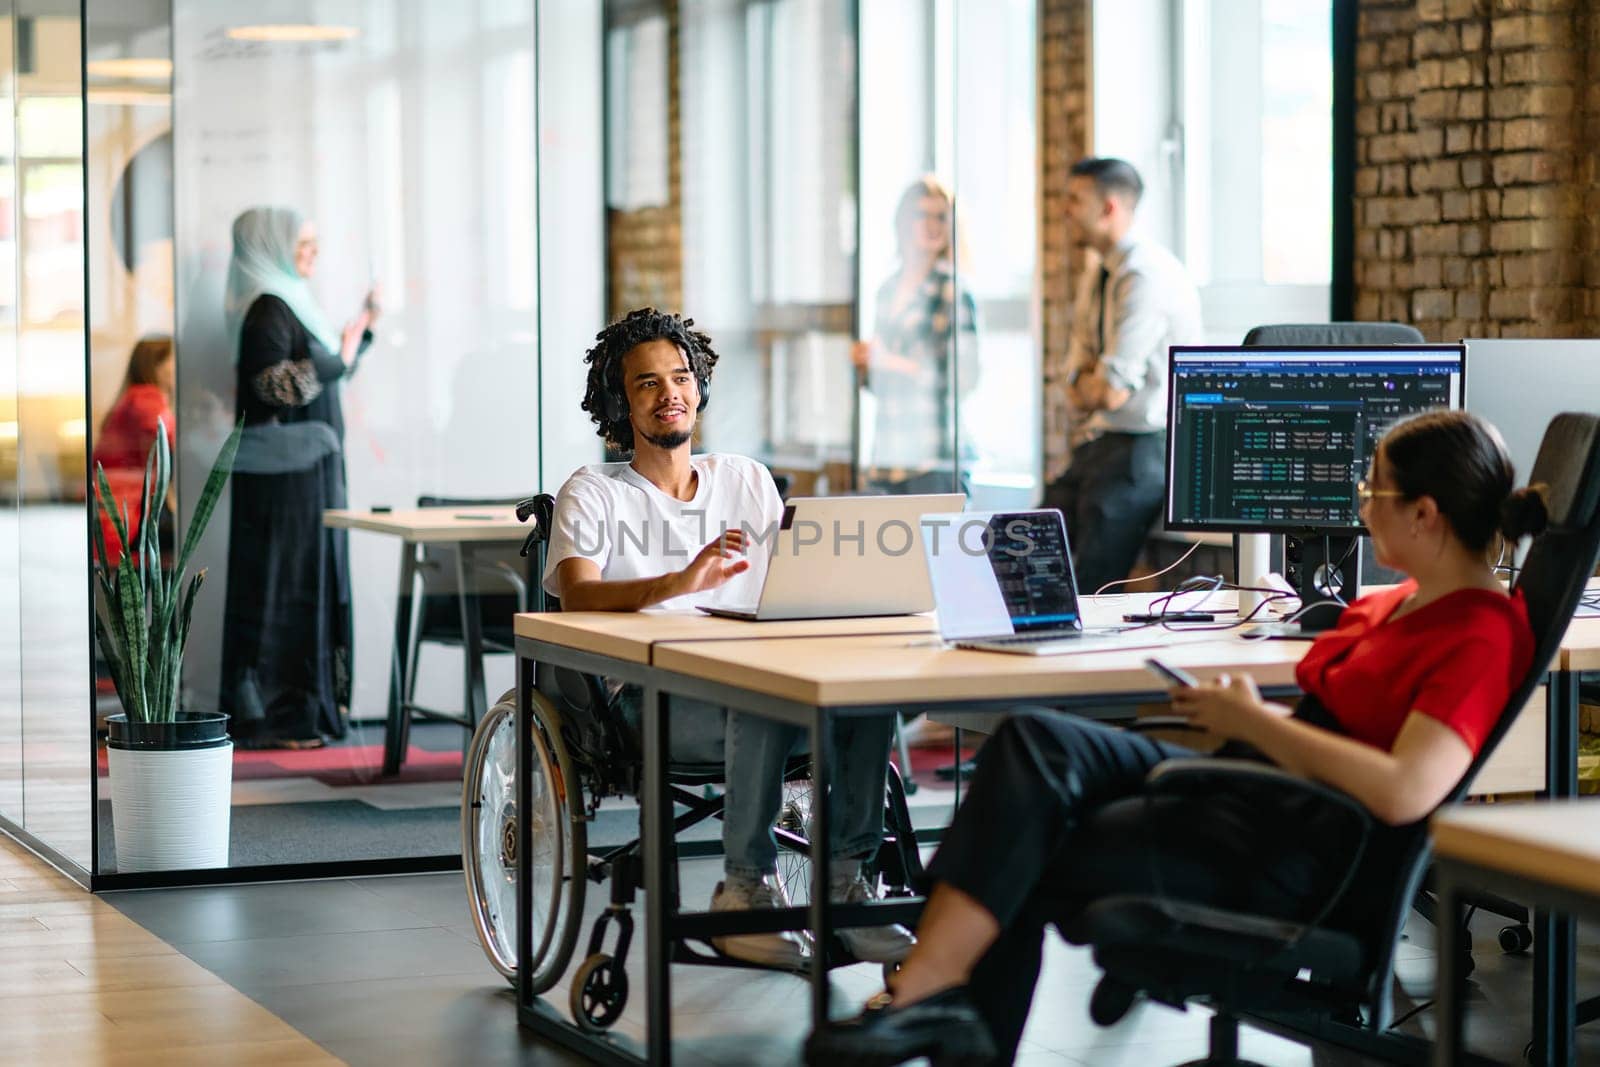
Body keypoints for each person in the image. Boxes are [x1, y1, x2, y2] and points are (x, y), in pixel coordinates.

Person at [808, 410, 1547, 1065]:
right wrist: (1246, 722)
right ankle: (939, 997)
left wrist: (1256, 723)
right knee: (1036, 742)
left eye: (1373, 491)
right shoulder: (1397, 603)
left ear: (1424, 514)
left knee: (1022, 838)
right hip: (1256, 788)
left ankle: (933, 1000)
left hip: (1292, 845)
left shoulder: (1476, 635)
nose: (1359, 504)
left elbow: (1403, 790)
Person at [545, 307, 913, 969]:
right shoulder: (594, 492)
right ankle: (743, 892)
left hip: (762, 683)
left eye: (681, 376)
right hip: (653, 702)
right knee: (760, 696)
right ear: (618, 401)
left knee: (866, 697)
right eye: (648, 383)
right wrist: (677, 582)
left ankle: (847, 886)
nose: (670, 393)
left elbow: (797, 582)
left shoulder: (743, 478)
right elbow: (575, 592)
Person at [219, 206, 378, 750]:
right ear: (272, 244)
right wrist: (341, 356)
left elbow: (321, 372)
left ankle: (309, 710)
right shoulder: (268, 309)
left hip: (304, 473)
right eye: (302, 242)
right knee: (286, 586)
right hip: (284, 483)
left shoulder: (290, 305)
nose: (312, 252)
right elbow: (274, 387)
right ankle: (282, 716)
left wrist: (359, 337)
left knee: (309, 581)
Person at [1041, 157, 1203, 595]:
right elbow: (1073, 372)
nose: (1064, 211)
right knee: (1024, 548)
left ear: (1109, 207)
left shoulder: (1144, 275)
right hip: (1102, 442)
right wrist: (1083, 383)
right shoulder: (1101, 270)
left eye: (1074, 200)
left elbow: (1109, 390)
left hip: (1145, 448)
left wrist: (1086, 383)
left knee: (1092, 588)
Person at [851, 176, 979, 496]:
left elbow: (962, 378)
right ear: (903, 222)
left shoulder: (952, 288)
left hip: (934, 458)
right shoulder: (888, 289)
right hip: (890, 454)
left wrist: (888, 361)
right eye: (924, 215)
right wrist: (866, 365)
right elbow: (881, 382)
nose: (934, 225)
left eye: (942, 217)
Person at [93, 336, 176, 566]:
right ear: (156, 366)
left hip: (120, 510)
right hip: (128, 513)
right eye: (173, 360)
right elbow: (175, 438)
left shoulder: (133, 397)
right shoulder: (145, 398)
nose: (179, 367)